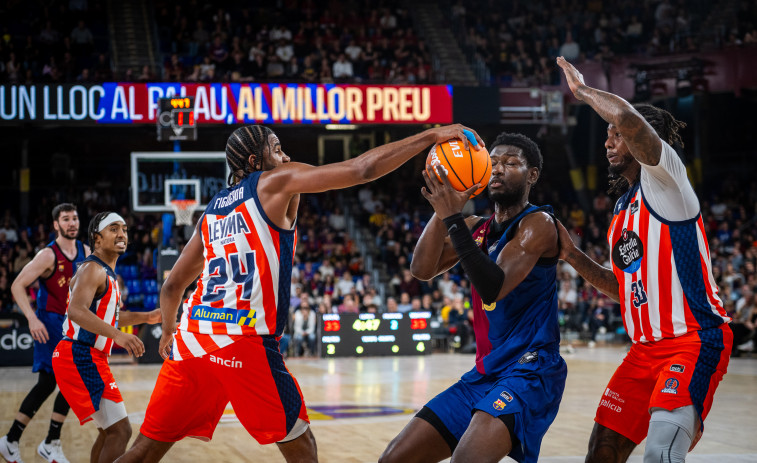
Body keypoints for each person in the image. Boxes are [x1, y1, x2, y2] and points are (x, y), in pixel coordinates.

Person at [116, 123, 484, 463]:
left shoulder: (211, 212)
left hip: (192, 338)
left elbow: (171, 286)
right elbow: (361, 170)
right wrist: (431, 135)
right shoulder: (275, 181)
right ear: (255, 160)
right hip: (243, 338)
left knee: (145, 450)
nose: (287, 157)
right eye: (278, 149)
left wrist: (167, 333)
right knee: (302, 445)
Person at [555, 56, 732, 463]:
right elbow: (622, 288)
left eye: (615, 133)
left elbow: (633, 121)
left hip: (692, 340)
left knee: (660, 453)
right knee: (602, 450)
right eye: (608, 134)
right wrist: (571, 254)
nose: (608, 141)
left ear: (638, 138)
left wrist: (581, 92)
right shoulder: (621, 208)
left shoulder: (668, 179)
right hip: (642, 351)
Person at [380, 132, 566, 463]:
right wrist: (442, 211)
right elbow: (421, 269)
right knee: (394, 458)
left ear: (532, 175)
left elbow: (492, 286)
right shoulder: (474, 227)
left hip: (531, 369)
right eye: (491, 163)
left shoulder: (538, 224)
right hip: (485, 372)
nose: (497, 169)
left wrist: (453, 217)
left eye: (511, 163)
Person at [52, 212, 160, 463]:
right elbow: (76, 310)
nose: (122, 234)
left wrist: (147, 317)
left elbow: (109, 315)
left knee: (109, 431)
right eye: (113, 229)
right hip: (79, 354)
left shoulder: (106, 273)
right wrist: (118, 336)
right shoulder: (92, 269)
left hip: (87, 355)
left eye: (124, 229)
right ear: (97, 239)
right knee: (120, 430)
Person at [0, 203, 89, 463]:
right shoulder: (48, 255)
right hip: (50, 323)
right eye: (66, 219)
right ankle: (48, 441)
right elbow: (17, 285)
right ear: (56, 225)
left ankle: (14, 440)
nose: (72, 223)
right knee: (69, 379)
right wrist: (31, 319)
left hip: (74, 324)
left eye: (74, 218)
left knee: (50, 383)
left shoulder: (85, 250)